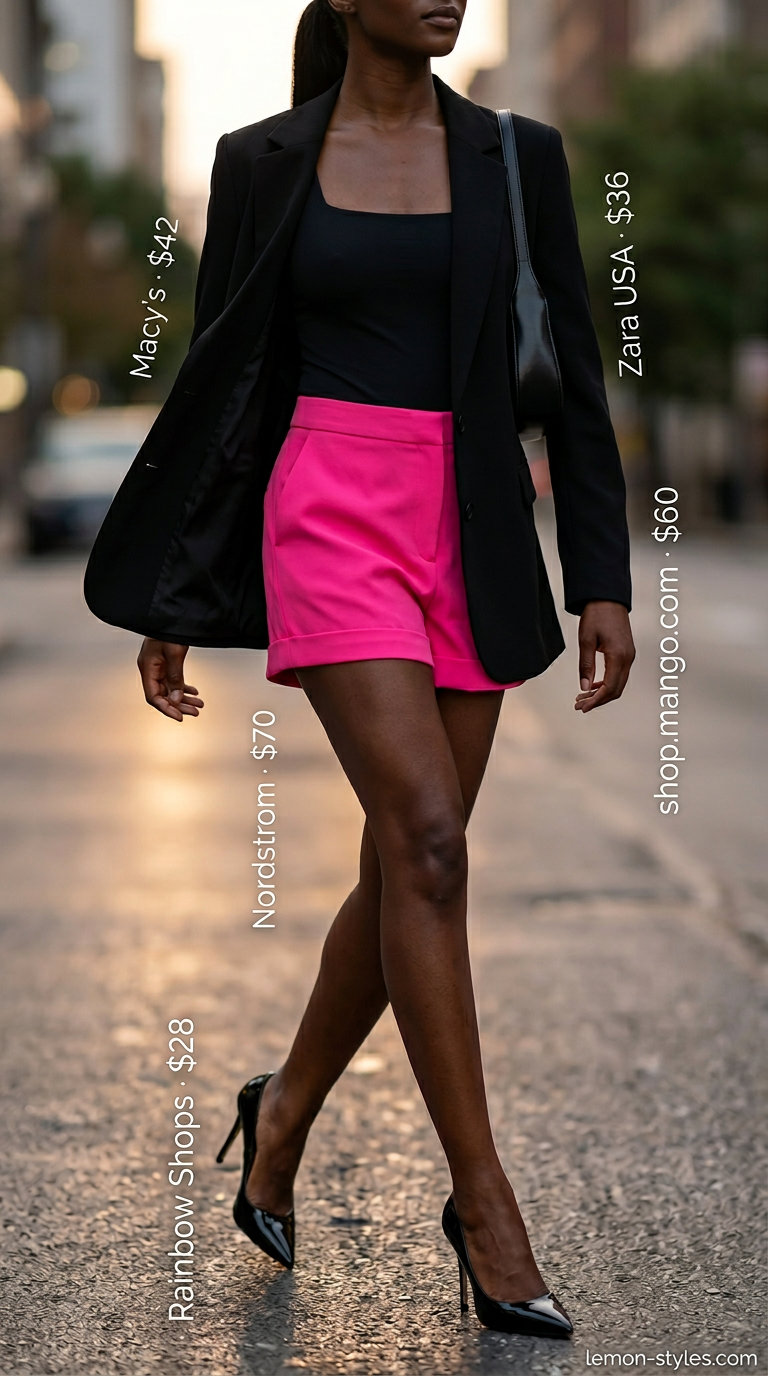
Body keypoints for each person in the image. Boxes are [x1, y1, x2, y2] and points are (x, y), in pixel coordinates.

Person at [97, 0, 636, 1342]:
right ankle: (486, 1207)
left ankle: (277, 1117)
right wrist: (178, 585)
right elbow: (227, 385)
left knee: (402, 871)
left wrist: (607, 576)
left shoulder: (519, 156)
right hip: (327, 510)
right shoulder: (262, 161)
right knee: (433, 844)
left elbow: (573, 371)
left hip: (476, 523)